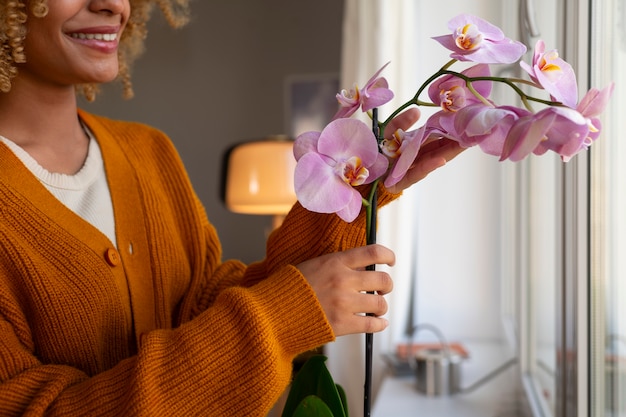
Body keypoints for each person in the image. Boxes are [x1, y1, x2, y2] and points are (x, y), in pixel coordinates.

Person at [0, 0, 464, 415]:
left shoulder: (148, 153)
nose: (112, 5)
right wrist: (283, 318)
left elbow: (206, 308)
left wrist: (354, 189)